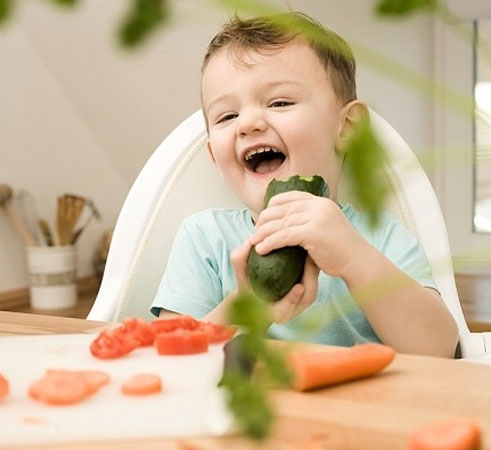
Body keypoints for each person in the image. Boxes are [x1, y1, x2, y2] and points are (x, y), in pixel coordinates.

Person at [150, 12, 459, 357]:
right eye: (227, 116)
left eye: (280, 102)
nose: (248, 123)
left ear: (348, 128)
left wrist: (354, 258)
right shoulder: (206, 238)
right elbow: (172, 357)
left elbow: (439, 349)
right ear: (214, 157)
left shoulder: (381, 236)